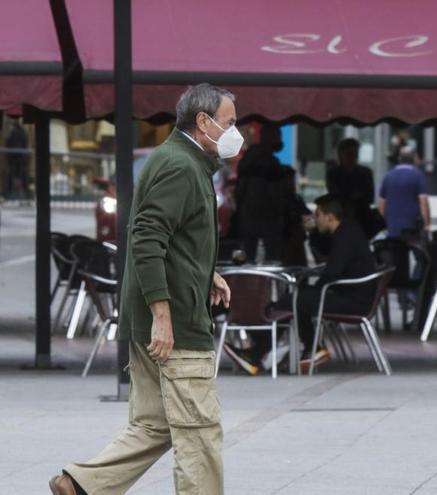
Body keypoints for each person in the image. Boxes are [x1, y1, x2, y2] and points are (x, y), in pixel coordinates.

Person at [51, 83, 236, 495]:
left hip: (155, 317)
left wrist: (207, 273)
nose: (234, 132)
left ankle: (81, 484)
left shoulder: (178, 160)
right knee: (199, 435)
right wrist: (163, 317)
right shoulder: (181, 166)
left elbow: (172, 238)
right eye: (229, 123)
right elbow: (148, 239)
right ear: (203, 122)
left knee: (154, 425)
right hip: (176, 325)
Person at [295, 195, 378, 369]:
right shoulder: (347, 231)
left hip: (355, 300)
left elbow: (332, 271)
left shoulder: (345, 236)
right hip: (351, 293)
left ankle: (310, 348)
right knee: (298, 298)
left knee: (298, 300)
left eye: (317, 215)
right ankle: (275, 349)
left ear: (329, 216)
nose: (314, 220)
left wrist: (316, 291)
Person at [234, 123, 289, 262]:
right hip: (255, 213)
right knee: (252, 255)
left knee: (267, 253)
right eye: (276, 135)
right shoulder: (257, 156)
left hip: (266, 214)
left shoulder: (271, 159)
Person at [378, 147, 431, 240]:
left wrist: (380, 226)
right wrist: (427, 225)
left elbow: (382, 205)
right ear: (414, 158)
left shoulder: (388, 176)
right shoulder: (418, 175)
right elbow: (423, 203)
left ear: (400, 159)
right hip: (411, 230)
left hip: (392, 229)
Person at [3, 120, 28, 199]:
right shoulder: (23, 132)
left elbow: (8, 142)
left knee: (12, 174)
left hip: (13, 157)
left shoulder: (12, 132)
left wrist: (8, 155)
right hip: (21, 156)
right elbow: (25, 143)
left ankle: (10, 193)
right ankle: (23, 193)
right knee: (20, 175)